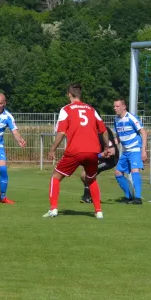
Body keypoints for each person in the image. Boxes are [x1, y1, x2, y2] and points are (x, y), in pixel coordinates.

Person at [44, 84, 113, 219]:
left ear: (69, 94)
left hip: (75, 151)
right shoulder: (91, 109)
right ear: (80, 95)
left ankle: (53, 209)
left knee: (55, 177)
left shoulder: (66, 110)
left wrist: (52, 149)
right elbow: (104, 130)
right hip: (93, 151)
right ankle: (98, 211)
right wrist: (106, 148)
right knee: (91, 179)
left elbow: (61, 132)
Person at [113, 99, 147, 204]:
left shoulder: (131, 117)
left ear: (124, 107)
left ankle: (138, 198)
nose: (115, 108)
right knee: (118, 172)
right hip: (126, 151)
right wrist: (111, 145)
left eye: (117, 106)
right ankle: (128, 196)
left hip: (135, 149)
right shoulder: (116, 120)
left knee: (134, 171)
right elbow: (118, 137)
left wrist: (143, 150)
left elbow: (144, 133)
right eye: (114, 106)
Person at [79, 125, 119, 204]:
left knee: (86, 174)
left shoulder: (103, 131)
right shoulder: (91, 131)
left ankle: (88, 196)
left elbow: (111, 152)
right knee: (83, 175)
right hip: (100, 158)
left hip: (110, 160)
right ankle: (92, 196)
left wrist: (97, 156)